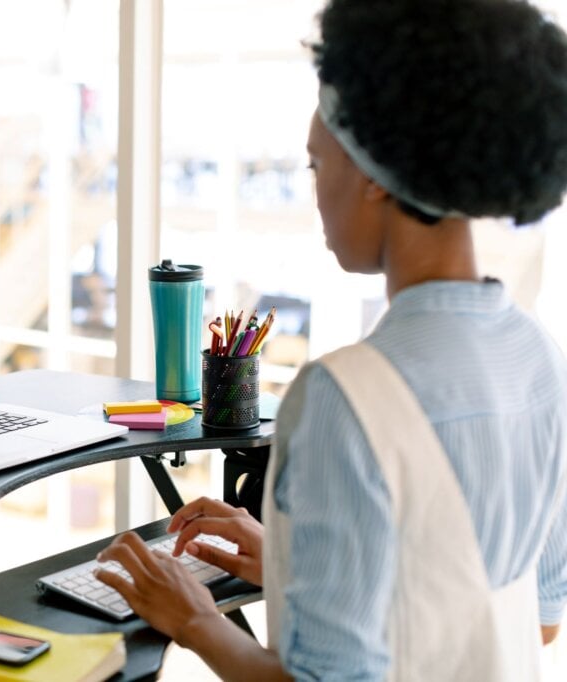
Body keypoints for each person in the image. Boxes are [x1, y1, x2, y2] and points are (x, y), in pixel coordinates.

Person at [94, 0, 567, 679]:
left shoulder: (345, 397)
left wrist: (193, 618)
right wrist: (299, 563)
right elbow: (533, 617)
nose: (314, 194)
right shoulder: (540, 358)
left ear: (371, 175)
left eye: (317, 166)